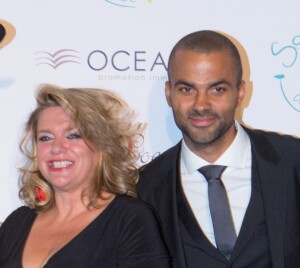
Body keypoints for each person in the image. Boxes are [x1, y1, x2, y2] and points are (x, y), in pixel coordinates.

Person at [137, 30, 300, 268]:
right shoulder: (145, 188)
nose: (201, 105)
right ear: (168, 93)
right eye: (186, 89)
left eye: (217, 89)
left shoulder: (293, 162)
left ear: (240, 92)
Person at [0, 84, 171, 268]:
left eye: (73, 136)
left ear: (103, 145)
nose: (57, 148)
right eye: (45, 138)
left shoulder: (129, 219)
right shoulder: (17, 223)